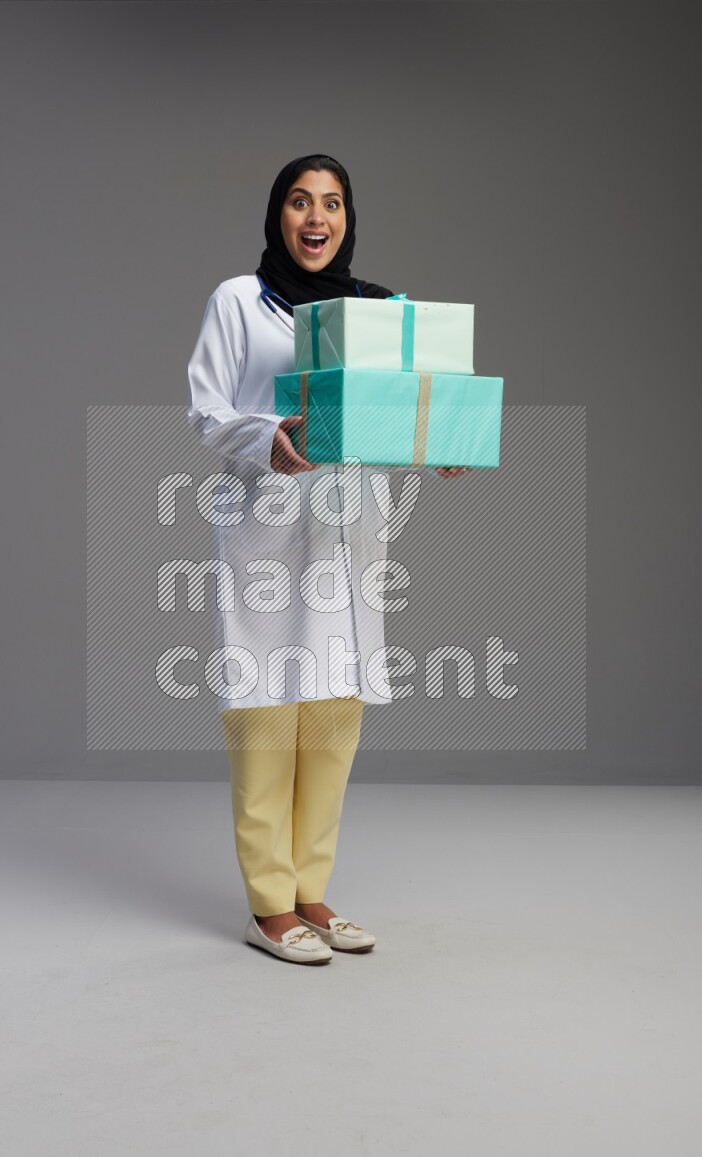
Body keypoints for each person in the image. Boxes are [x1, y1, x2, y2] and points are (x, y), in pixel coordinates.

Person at [187, 154, 470, 965]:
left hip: (348, 533)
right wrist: (267, 441)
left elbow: (403, 406)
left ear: (349, 219)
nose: (318, 218)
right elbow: (207, 409)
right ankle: (269, 904)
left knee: (335, 713)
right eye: (301, 202)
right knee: (266, 712)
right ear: (277, 214)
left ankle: (313, 891)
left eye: (334, 204)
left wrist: (437, 444)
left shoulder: (379, 312)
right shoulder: (241, 301)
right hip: (268, 526)